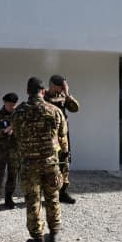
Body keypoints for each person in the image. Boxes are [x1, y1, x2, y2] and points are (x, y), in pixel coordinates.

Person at [11, 77, 68, 242]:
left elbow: (16, 137)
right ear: (43, 92)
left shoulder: (18, 112)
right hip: (51, 163)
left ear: (27, 91)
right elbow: (63, 137)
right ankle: (55, 233)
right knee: (52, 196)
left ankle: (38, 240)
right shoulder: (54, 110)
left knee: (33, 200)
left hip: (29, 164)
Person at [43, 74, 79, 204]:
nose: (62, 89)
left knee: (65, 163)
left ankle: (63, 193)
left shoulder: (63, 97)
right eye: (60, 87)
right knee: (51, 164)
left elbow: (75, 108)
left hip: (63, 136)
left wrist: (67, 94)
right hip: (49, 137)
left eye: (64, 87)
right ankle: (50, 194)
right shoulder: (43, 96)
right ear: (52, 85)